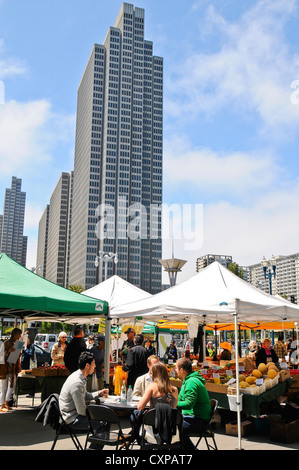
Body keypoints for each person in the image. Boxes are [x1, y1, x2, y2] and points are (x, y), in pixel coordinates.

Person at [59, 351, 109, 446]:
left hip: (72, 415)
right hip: (71, 419)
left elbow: (84, 395)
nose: (95, 366)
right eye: (93, 363)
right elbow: (82, 411)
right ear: (87, 365)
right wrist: (97, 414)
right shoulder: (77, 382)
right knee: (104, 422)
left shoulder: (80, 376)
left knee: (104, 420)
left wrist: (98, 393)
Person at [175, 357, 211, 451]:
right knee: (172, 425)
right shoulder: (188, 380)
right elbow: (182, 399)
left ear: (181, 370)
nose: (175, 370)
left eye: (176, 368)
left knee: (174, 428)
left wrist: (173, 403)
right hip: (193, 417)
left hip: (199, 420)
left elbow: (189, 404)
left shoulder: (191, 382)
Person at [0, 328, 22, 412]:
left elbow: (18, 355)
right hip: (4, 367)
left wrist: (18, 353)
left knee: (12, 385)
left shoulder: (19, 343)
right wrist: (9, 351)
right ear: (15, 334)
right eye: (19, 334)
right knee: (4, 386)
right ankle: (2, 404)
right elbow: (1, 354)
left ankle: (6, 402)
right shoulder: (6, 343)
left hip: (13, 367)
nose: (20, 336)